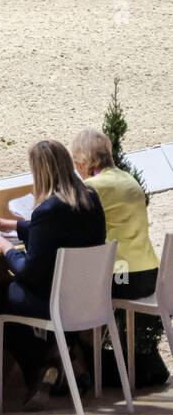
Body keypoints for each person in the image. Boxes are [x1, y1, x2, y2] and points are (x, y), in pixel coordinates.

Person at [0, 140, 107, 408]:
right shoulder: (90, 199)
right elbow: (59, 231)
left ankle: (42, 362)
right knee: (8, 296)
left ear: (40, 172)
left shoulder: (47, 211)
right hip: (88, 300)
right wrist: (11, 225)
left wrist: (5, 248)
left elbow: (29, 270)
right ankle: (55, 360)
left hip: (56, 302)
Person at [70, 129, 168, 387]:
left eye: (76, 162)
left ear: (83, 160)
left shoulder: (92, 187)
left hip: (122, 277)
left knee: (69, 298)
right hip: (150, 273)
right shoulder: (129, 180)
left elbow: (72, 226)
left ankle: (83, 370)